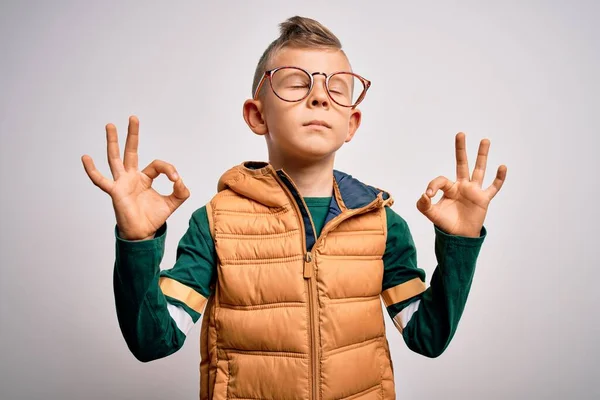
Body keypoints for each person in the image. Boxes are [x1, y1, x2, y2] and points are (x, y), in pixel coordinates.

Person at [81, 15, 507, 400]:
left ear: (351, 124)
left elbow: (427, 337)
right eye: (298, 83)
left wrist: (460, 243)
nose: (319, 97)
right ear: (257, 115)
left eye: (337, 88)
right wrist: (137, 242)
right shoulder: (216, 221)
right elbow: (153, 341)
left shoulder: (381, 223)